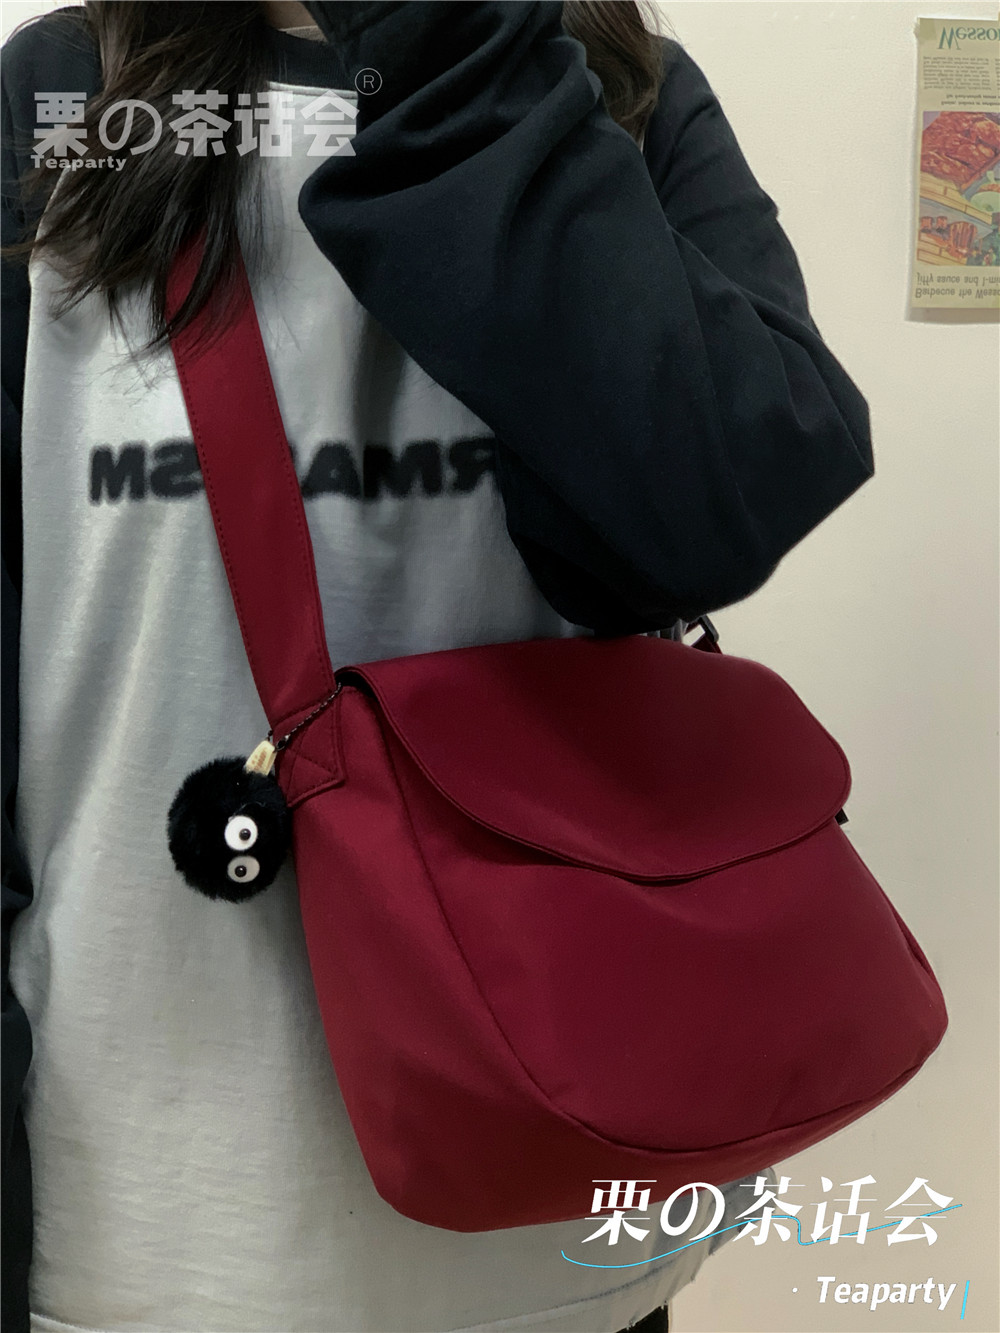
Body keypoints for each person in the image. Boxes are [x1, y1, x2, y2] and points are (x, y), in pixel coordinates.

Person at [0, 2, 874, 1330]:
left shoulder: (619, 86)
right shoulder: (63, 94)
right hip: (151, 1233)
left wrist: (453, 46)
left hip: (574, 1210)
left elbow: (718, 502)